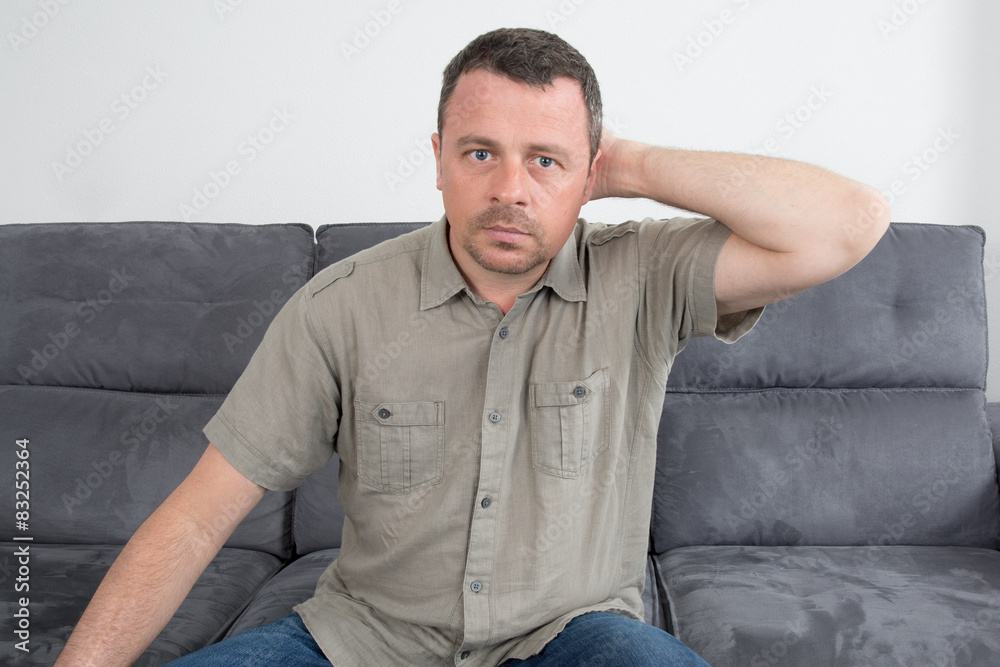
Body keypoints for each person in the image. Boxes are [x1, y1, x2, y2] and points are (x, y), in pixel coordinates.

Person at [55, 27, 889, 667]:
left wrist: (626, 161)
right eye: (481, 153)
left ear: (587, 171)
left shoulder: (643, 276)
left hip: (574, 636)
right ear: (439, 160)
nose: (509, 191)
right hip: (366, 641)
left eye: (546, 161)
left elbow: (848, 224)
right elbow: (200, 517)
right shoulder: (339, 308)